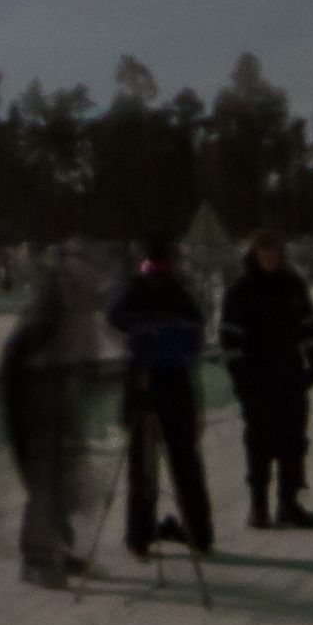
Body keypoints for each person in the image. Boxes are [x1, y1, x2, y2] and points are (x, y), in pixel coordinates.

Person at [0, 245, 104, 588]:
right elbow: (22, 367)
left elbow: (82, 363)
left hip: (57, 405)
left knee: (65, 478)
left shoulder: (76, 318)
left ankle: (58, 545)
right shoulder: (44, 320)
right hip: (36, 408)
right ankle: (37, 556)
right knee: (46, 481)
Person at [106, 236, 215, 556]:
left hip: (142, 379)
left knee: (142, 462)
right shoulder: (179, 293)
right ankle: (199, 533)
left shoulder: (136, 291)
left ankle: (139, 535)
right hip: (173, 382)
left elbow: (114, 317)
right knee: (184, 460)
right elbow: (196, 338)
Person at [217, 230, 313, 529]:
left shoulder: (293, 285)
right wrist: (241, 375)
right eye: (265, 251)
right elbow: (229, 338)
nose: (271, 256)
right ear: (255, 253)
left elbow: (309, 325)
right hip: (256, 379)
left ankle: (290, 503)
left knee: (294, 442)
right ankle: (258, 506)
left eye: (275, 250)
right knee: (259, 441)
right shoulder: (241, 291)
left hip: (290, 375)